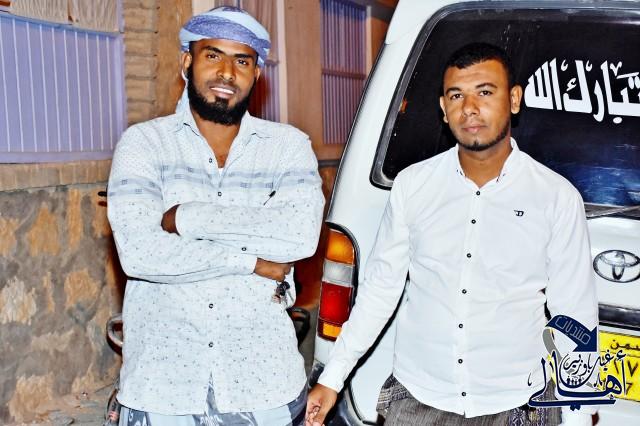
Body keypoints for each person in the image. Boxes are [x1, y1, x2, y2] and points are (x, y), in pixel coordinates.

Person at [306, 43, 598, 426]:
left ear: (514, 99)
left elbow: (574, 314)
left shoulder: (555, 197)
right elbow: (380, 290)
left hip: (516, 403)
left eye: (485, 92)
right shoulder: (413, 185)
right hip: (418, 398)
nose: (470, 108)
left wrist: (580, 412)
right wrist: (332, 378)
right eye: (457, 95)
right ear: (444, 108)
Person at [107, 6, 324, 425]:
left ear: (256, 73)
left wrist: (186, 218)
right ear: (186, 62)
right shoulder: (143, 145)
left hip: (262, 383)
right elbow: (140, 253)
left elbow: (299, 236)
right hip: (163, 385)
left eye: (242, 61)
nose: (227, 72)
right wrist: (253, 262)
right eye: (213, 55)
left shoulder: (288, 147)